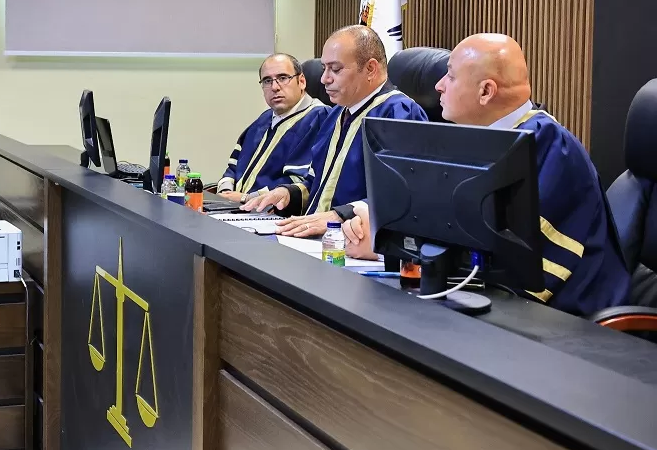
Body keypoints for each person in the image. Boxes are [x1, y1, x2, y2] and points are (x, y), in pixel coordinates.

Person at [342, 33, 629, 316]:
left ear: (486, 92)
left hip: (566, 323)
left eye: (450, 76)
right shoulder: (476, 140)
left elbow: (513, 266)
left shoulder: (549, 146)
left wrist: (391, 252)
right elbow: (442, 228)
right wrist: (384, 234)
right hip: (495, 309)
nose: (439, 86)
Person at [242, 25, 427, 236]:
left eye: (335, 69)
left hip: (355, 242)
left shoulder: (399, 113)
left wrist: (340, 215)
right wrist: (288, 193)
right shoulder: (335, 114)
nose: (324, 79)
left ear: (370, 69)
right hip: (311, 235)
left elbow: (404, 196)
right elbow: (317, 182)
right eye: (324, 69)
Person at [216, 53, 330, 202]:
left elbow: (301, 182)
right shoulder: (264, 119)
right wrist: (225, 192)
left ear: (301, 81)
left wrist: (247, 198)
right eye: (267, 81)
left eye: (283, 78)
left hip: (272, 212)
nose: (275, 87)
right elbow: (233, 166)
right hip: (232, 207)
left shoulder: (320, 118)